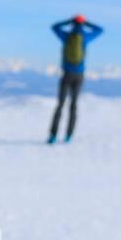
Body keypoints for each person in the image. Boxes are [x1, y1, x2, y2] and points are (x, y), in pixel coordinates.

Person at [48, 14, 104, 143]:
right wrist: (86, 23)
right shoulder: (84, 37)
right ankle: (68, 136)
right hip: (79, 76)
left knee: (60, 105)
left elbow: (54, 27)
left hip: (66, 74)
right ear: (82, 25)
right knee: (73, 106)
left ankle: (53, 135)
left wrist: (69, 21)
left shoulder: (67, 36)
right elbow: (99, 30)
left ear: (73, 24)